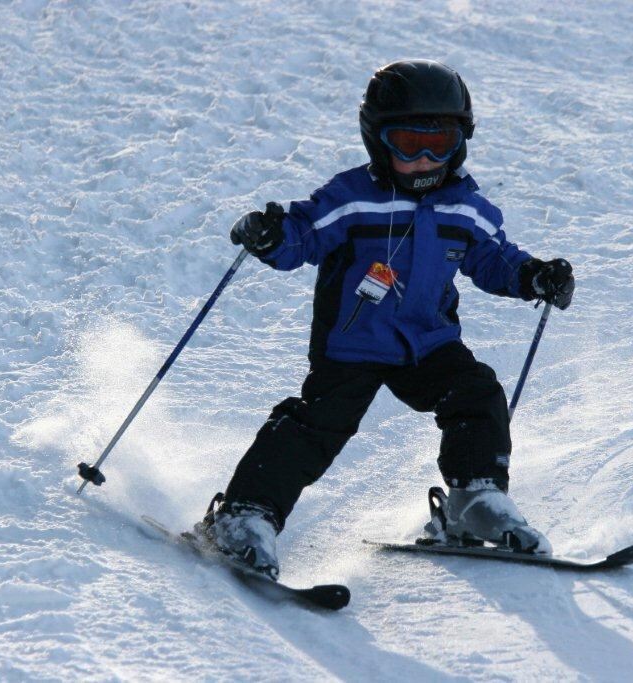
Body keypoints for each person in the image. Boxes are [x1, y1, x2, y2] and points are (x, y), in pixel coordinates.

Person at [199, 60, 575, 579]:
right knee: (315, 427)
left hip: (427, 343)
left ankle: (474, 500)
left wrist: (533, 276)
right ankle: (245, 515)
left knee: (476, 394)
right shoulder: (354, 198)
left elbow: (494, 259)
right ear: (378, 142)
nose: (423, 159)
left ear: (460, 143)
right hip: (352, 344)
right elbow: (305, 234)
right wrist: (272, 235)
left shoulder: (464, 207)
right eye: (407, 143)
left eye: (438, 144)